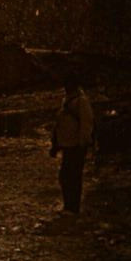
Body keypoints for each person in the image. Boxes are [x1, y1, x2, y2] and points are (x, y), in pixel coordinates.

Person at [50, 75, 94, 214]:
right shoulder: (67, 101)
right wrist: (55, 144)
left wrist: (83, 142)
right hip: (68, 144)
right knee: (66, 176)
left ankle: (72, 207)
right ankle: (69, 205)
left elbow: (87, 124)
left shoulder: (81, 101)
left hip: (76, 145)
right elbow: (59, 125)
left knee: (71, 176)